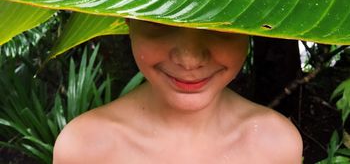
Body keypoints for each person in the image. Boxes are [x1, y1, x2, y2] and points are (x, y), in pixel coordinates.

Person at [53, 19, 303, 164]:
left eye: (221, 23)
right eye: (159, 20)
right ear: (127, 18)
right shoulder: (84, 148)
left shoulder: (277, 145)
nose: (189, 59)